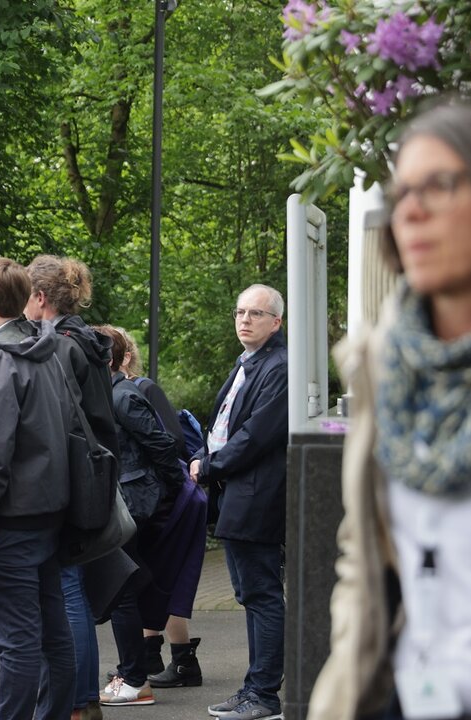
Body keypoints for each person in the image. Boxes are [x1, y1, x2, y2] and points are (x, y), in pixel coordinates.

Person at [310, 105, 471, 719]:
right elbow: (362, 554)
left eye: (440, 185)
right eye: (403, 193)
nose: (411, 211)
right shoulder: (380, 363)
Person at [0, 257, 75, 720]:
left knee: (19, 646)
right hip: (46, 517)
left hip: (7, 526)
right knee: (52, 638)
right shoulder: (43, 349)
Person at [189, 284, 288, 720]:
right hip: (240, 495)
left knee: (262, 594)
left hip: (257, 496)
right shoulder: (249, 362)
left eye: (255, 314)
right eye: (240, 312)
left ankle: (264, 694)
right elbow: (223, 425)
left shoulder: (278, 366)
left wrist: (210, 467)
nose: (244, 320)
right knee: (251, 594)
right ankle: (254, 688)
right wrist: (201, 454)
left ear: (276, 322)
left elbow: (256, 435)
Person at [25, 255, 116, 720]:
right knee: (73, 586)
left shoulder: (59, 345)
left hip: (71, 477)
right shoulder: (87, 338)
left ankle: (79, 702)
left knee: (66, 588)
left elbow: (55, 420)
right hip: (93, 473)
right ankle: (87, 700)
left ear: (39, 298)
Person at [92, 325, 187, 707]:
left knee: (121, 590)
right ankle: (133, 671)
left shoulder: (121, 395)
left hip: (132, 504)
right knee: (128, 585)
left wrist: (168, 491)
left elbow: (164, 444)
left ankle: (134, 678)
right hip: (129, 501)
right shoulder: (109, 393)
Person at [120, 333, 205, 689]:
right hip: (151, 497)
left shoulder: (142, 389)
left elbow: (173, 443)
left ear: (125, 358)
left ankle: (177, 660)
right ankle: (161, 657)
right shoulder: (114, 393)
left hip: (163, 500)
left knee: (163, 577)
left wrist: (167, 489)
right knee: (156, 577)